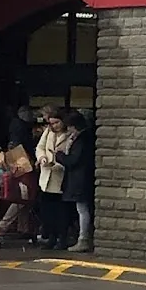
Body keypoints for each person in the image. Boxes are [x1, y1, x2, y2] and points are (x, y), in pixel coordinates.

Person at [54, 110, 94, 253]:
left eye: (70, 127)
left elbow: (73, 160)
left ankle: (83, 239)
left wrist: (59, 156)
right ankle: (82, 237)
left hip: (79, 180)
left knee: (82, 209)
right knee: (81, 209)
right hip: (80, 179)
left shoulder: (81, 140)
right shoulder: (85, 137)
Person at [0, 105, 37, 237]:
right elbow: (21, 145)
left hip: (19, 160)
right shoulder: (20, 127)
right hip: (23, 161)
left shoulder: (15, 126)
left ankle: (23, 227)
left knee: (24, 194)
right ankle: (4, 224)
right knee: (24, 193)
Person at [35, 108, 71, 249]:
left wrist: (58, 164)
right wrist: (42, 158)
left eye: (57, 123)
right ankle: (50, 237)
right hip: (46, 175)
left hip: (60, 176)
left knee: (60, 211)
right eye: (52, 123)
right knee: (47, 210)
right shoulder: (48, 132)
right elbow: (40, 147)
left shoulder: (69, 134)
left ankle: (61, 238)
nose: (54, 126)